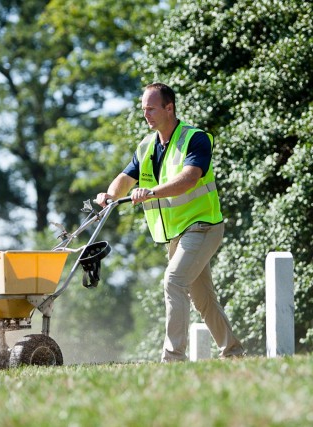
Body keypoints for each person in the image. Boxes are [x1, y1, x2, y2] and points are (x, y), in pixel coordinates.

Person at [96, 82, 245, 362]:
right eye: (143, 109)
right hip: (176, 234)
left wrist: (151, 192)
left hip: (203, 226)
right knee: (203, 299)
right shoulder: (146, 147)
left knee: (173, 282)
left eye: (151, 109)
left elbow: (190, 178)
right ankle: (234, 353)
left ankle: (173, 358)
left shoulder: (196, 138)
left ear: (169, 108)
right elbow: (126, 178)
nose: (146, 115)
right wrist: (109, 195)